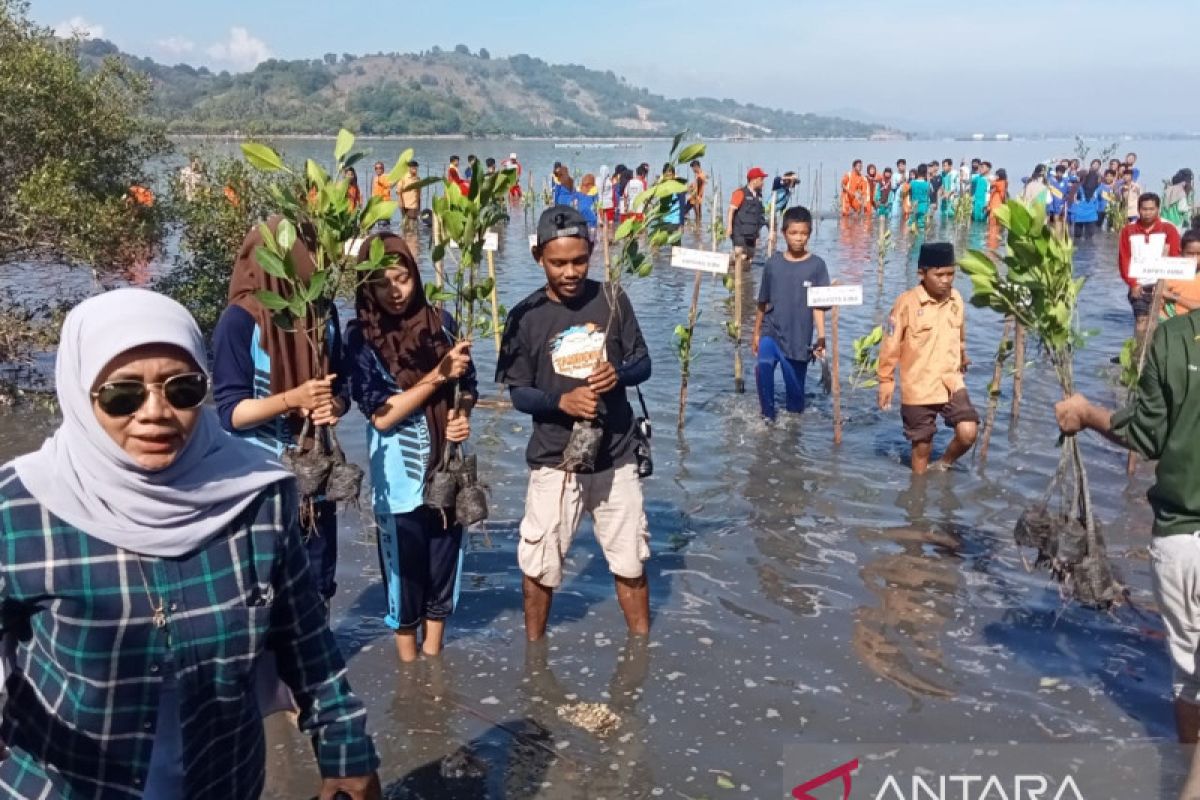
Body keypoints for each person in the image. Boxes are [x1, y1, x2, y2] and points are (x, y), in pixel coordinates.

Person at [0, 288, 381, 799]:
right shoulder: (21, 508)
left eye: (182, 389)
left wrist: (346, 750)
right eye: (122, 395)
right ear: (79, 393)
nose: (155, 412)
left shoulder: (254, 498)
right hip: (64, 785)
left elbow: (305, 638)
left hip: (220, 779)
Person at [1054, 309, 1200, 785]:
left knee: (1187, 676)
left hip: (1180, 541)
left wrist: (1087, 413)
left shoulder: (1175, 336)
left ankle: (1180, 776)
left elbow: (1147, 436)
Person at [496, 206, 652, 641]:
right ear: (538, 258)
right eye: (558, 263)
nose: (570, 272)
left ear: (593, 253)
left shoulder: (614, 299)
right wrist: (561, 401)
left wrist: (618, 373)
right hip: (553, 460)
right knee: (541, 565)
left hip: (616, 455)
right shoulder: (523, 317)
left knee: (630, 562)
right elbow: (518, 392)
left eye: (579, 261)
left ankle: (642, 651)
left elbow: (644, 363)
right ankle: (535, 658)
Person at [346, 233, 476, 664]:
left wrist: (462, 414)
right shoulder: (361, 337)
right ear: (367, 287)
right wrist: (438, 376)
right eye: (382, 283)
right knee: (404, 583)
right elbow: (381, 414)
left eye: (402, 278)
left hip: (445, 470)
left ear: (416, 276)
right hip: (398, 481)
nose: (395, 291)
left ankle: (433, 666)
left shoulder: (442, 322)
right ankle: (408, 671)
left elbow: (468, 386)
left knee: (444, 570)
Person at [212, 219, 350, 604]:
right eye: (302, 253)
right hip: (255, 483)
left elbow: (342, 388)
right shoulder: (238, 323)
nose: (312, 262)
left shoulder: (323, 316)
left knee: (318, 584)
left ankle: (316, 661)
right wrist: (294, 399)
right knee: (261, 592)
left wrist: (333, 405)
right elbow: (230, 413)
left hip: (314, 476)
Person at [877, 242, 979, 475]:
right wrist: (885, 379)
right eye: (939, 274)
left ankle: (943, 463)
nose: (946, 280)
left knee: (968, 431)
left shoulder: (956, 299)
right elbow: (890, 343)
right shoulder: (906, 303)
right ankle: (918, 495)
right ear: (922, 273)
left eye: (951, 274)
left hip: (950, 381)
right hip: (918, 385)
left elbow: (960, 334)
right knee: (922, 448)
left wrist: (963, 355)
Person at [751, 206, 829, 420]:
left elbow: (819, 306)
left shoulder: (817, 266)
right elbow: (762, 301)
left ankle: (792, 439)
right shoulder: (773, 264)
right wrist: (757, 333)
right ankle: (767, 418)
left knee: (795, 406)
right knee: (763, 367)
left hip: (798, 339)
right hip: (771, 331)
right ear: (784, 233)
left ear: (810, 234)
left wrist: (821, 337)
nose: (798, 238)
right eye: (793, 233)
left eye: (804, 233)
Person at [1118, 193, 1183, 344]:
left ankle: (1155, 354)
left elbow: (1174, 258)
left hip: (1163, 284)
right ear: (1139, 209)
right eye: (1144, 209)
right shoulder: (1128, 230)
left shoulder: (1168, 229)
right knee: (1141, 320)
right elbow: (1124, 259)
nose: (1147, 213)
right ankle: (1138, 353)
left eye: (1151, 209)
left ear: (1158, 209)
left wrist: (1167, 285)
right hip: (1139, 285)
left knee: (1161, 324)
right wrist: (1133, 284)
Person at [728, 167, 768, 257]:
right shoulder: (740, 193)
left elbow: (759, 215)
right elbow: (731, 210)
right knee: (740, 256)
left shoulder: (759, 196)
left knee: (749, 258)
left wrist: (758, 235)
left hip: (752, 234)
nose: (763, 183)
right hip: (739, 232)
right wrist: (729, 227)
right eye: (761, 180)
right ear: (754, 180)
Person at [1162, 229, 1200, 319]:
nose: (1195, 258)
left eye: (1199, 254)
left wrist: (1174, 296)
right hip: (1175, 324)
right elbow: (1159, 305)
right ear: (1181, 251)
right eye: (1190, 254)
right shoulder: (1170, 273)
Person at [1069, 169, 1100, 240]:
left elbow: (1072, 200)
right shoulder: (1079, 187)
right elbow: (1073, 199)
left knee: (1078, 237)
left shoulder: (1078, 187)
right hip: (1088, 215)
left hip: (1083, 215)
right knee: (1088, 238)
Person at [397, 159, 422, 225]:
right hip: (406, 206)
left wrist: (419, 209)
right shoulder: (403, 178)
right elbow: (399, 193)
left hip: (414, 207)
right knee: (408, 227)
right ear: (409, 168)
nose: (415, 169)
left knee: (413, 227)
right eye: (413, 167)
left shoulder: (418, 179)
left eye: (416, 167)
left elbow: (419, 195)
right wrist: (401, 207)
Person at [908, 163, 931, 229]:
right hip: (923, 207)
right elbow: (928, 195)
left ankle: (909, 238)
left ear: (918, 172)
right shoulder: (927, 184)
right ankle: (920, 239)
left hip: (914, 206)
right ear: (925, 173)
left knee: (911, 225)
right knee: (921, 226)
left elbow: (909, 194)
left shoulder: (912, 183)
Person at [686, 159, 707, 225]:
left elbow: (698, 187)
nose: (693, 170)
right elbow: (697, 185)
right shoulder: (701, 174)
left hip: (695, 198)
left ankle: (697, 228)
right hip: (698, 197)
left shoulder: (700, 177)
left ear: (696, 167)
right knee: (698, 214)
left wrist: (691, 191)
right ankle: (698, 228)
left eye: (693, 168)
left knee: (696, 214)